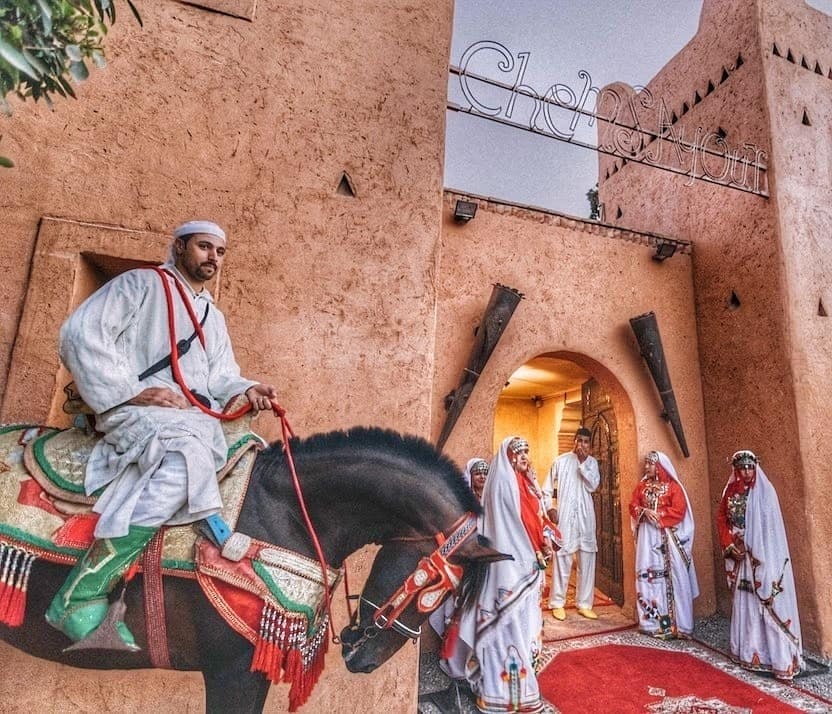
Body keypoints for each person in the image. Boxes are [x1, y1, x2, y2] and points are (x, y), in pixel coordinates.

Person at [45, 219, 278, 650]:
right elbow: (82, 334)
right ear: (180, 246)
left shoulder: (213, 315)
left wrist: (248, 388)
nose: (213, 258)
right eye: (204, 247)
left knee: (242, 452)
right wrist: (131, 393)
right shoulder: (139, 284)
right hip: (131, 410)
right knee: (183, 460)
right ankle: (81, 593)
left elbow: (219, 376)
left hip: (188, 417)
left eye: (220, 252)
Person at [443, 437, 556, 714]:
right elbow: (520, 523)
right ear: (508, 458)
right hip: (510, 567)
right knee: (505, 626)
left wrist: (545, 540)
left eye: (527, 452)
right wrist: (538, 545)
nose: (525, 457)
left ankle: (513, 692)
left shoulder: (522, 483)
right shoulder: (507, 484)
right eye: (519, 453)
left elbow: (536, 518)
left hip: (522, 565)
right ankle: (500, 694)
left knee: (520, 626)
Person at [717, 450, 803, 681]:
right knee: (745, 603)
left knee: (764, 600)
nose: (745, 472)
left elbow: (770, 527)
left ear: (755, 468)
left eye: (749, 467)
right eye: (741, 468)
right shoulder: (730, 492)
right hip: (740, 556)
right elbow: (722, 518)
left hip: (761, 556)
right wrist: (728, 544)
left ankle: (775, 657)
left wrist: (752, 545)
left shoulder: (765, 493)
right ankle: (747, 651)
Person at [628, 450, 699, 639]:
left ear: (659, 467)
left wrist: (658, 515)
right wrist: (643, 511)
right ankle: (651, 623)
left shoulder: (674, 487)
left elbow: (679, 510)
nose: (646, 467)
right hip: (646, 537)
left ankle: (678, 625)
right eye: (646, 464)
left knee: (674, 577)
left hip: (666, 536)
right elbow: (632, 505)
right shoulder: (642, 485)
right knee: (647, 574)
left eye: (650, 464)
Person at [542, 426, 600, 621]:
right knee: (563, 558)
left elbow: (593, 485)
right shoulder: (561, 461)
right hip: (565, 516)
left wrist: (583, 465)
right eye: (579, 441)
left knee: (587, 558)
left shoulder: (592, 463)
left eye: (586, 442)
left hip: (586, 517)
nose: (582, 445)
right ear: (574, 441)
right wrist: (550, 508)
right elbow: (546, 489)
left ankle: (584, 604)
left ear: (590, 446)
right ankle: (557, 603)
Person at [429, 458, 489, 643]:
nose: (482, 476)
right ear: (470, 475)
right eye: (478, 473)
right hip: (462, 559)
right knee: (459, 604)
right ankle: (453, 649)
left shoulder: (491, 498)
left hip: (484, 560)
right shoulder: (461, 501)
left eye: (486, 473)